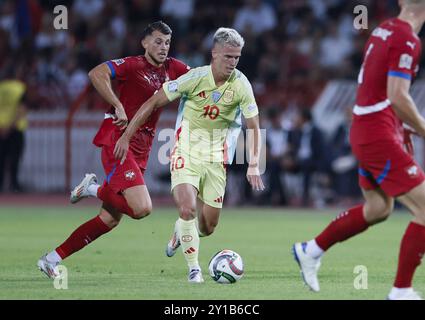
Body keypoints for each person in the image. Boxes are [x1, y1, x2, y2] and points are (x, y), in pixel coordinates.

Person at [293, 0, 425, 300]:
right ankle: (401, 291)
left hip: (367, 129)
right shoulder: (407, 39)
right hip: (377, 135)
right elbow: (398, 96)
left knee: (379, 209)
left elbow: (380, 93)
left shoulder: (383, 30)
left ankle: (310, 250)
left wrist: (404, 126)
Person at [37, 21, 190, 279]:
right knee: (142, 208)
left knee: (109, 220)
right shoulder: (131, 65)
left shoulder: (173, 68)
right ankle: (92, 188)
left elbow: (200, 79)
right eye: (157, 41)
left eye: (166, 42)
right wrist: (117, 104)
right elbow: (97, 73)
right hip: (118, 139)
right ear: (144, 43)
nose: (163, 47)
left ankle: (51, 259)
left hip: (142, 146)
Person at [114, 27, 265, 283]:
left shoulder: (241, 84)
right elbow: (152, 102)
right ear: (214, 53)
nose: (233, 62)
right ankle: (194, 269)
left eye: (237, 57)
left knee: (208, 226)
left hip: (217, 159)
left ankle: (180, 234)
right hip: (186, 151)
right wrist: (126, 136)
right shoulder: (194, 78)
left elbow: (253, 126)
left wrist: (253, 164)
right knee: (187, 209)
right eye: (228, 56)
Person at [0, 76, 27, 193]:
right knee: (15, 158)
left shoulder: (1, 88)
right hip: (16, 128)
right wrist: (11, 125)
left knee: (1, 158)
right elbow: (22, 108)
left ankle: (1, 185)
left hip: (1, 127)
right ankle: (14, 185)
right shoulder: (20, 88)